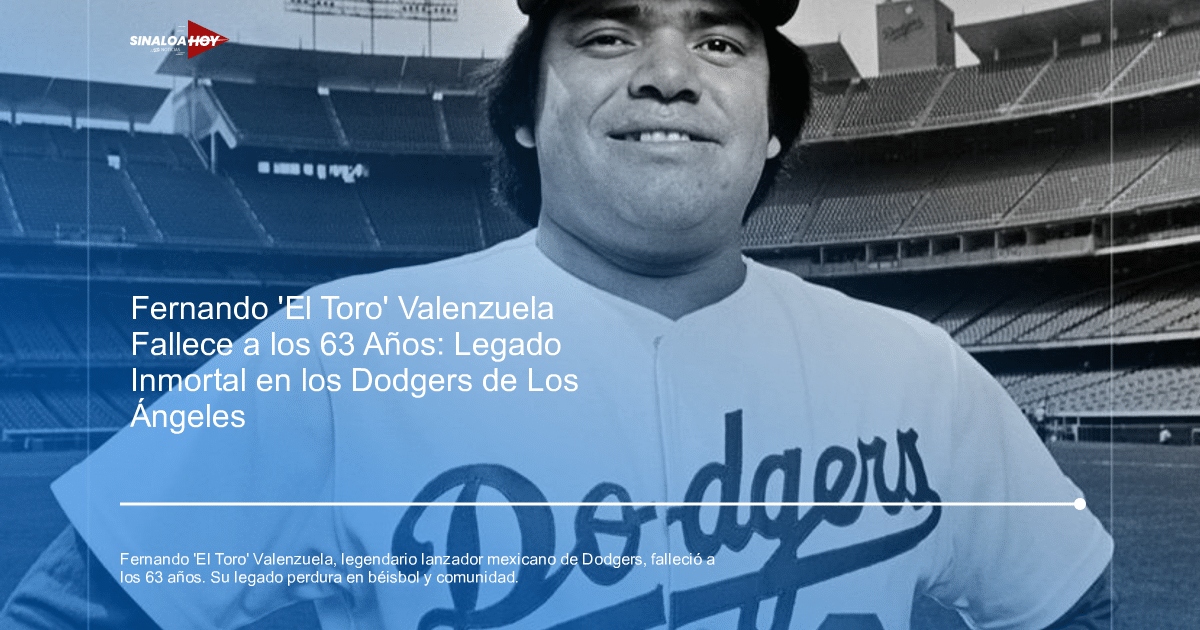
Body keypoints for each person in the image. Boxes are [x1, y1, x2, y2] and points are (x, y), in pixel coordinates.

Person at [3, 0, 1114, 628]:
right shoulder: (344, 352)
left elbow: (1070, 600)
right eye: (609, 34)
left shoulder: (919, 370)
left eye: (721, 43)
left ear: (774, 124)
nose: (670, 74)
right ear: (527, 119)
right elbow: (72, 608)